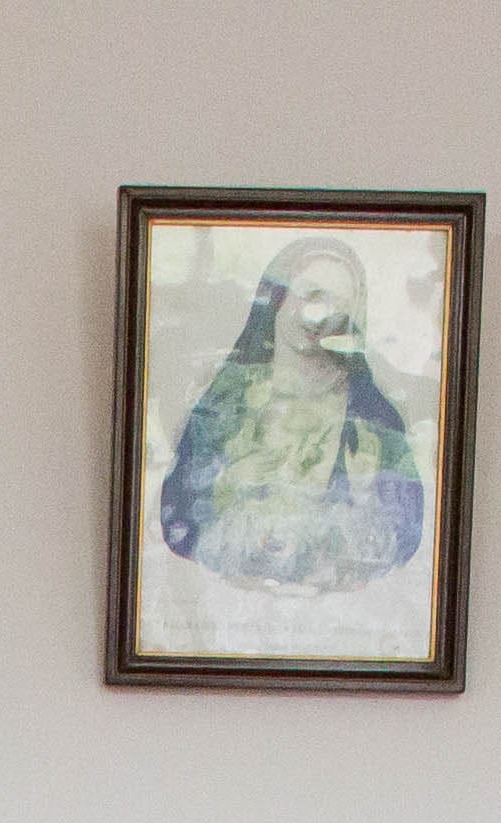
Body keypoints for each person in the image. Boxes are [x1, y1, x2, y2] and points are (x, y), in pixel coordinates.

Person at [156, 234, 425, 598]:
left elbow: (402, 532)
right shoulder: (224, 405)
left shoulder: (375, 421)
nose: (320, 315)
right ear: (278, 297)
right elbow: (181, 519)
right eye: (312, 294)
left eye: (340, 305)